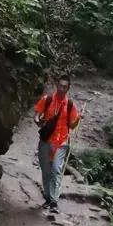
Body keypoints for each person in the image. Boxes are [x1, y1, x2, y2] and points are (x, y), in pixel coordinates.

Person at [34, 74, 81, 215]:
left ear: (68, 88)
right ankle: (48, 198)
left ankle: (54, 201)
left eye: (64, 87)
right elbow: (36, 114)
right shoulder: (47, 100)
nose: (61, 89)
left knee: (56, 169)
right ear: (57, 85)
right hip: (46, 141)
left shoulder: (70, 105)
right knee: (46, 170)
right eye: (60, 86)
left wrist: (78, 119)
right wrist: (38, 120)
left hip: (62, 142)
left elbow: (72, 126)